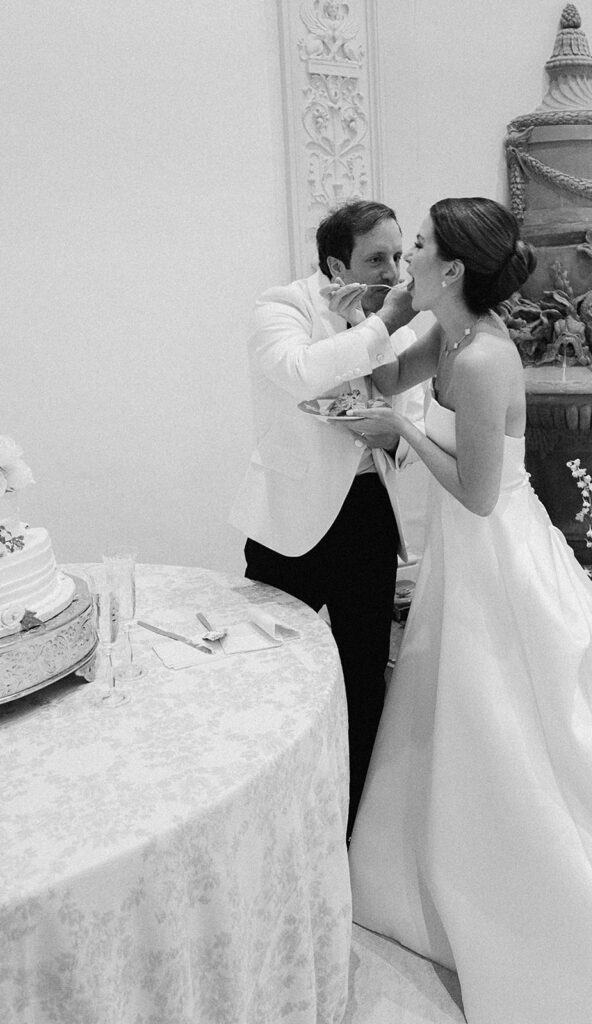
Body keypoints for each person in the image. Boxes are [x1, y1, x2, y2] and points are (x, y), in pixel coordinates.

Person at [346, 197, 592, 1024]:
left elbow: (479, 494)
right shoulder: (443, 333)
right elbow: (383, 380)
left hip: (499, 549)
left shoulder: (486, 357)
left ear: (453, 267)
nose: (407, 256)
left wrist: (402, 433)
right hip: (461, 552)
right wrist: (391, 312)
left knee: (517, 709)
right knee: (454, 705)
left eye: (418, 247)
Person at [229, 200, 424, 840]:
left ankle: (349, 822)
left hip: (368, 512)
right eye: (377, 259)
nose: (394, 272)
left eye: (399, 255)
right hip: (290, 520)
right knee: (271, 667)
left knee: (364, 672)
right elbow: (301, 372)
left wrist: (393, 436)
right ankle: (268, 811)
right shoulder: (281, 306)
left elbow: (414, 410)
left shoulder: (393, 314)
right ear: (336, 265)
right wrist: (380, 323)